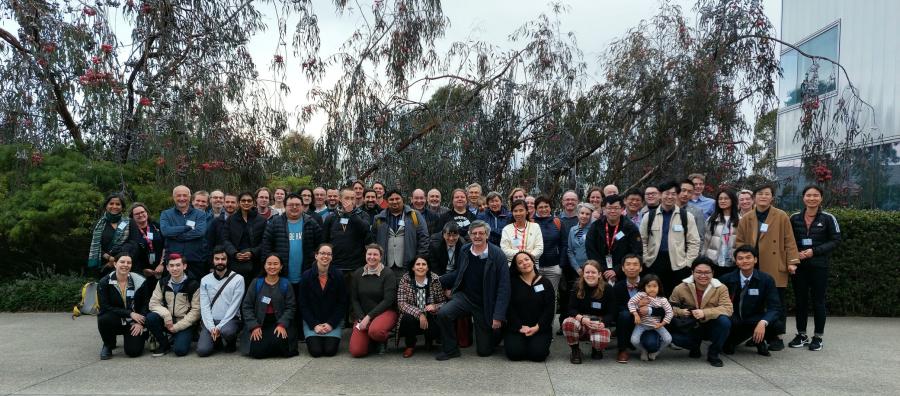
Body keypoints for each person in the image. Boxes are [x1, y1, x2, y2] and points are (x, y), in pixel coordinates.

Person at [734, 184, 800, 351]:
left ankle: (775, 336)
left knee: (776, 302)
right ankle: (755, 334)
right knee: (753, 302)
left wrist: (792, 261)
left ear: (772, 198)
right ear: (754, 197)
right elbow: (740, 242)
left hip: (774, 263)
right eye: (760, 194)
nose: (763, 197)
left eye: (767, 194)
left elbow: (789, 239)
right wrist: (741, 259)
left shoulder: (781, 215)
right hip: (752, 265)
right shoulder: (747, 218)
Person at [435, 220, 510, 360]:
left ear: (487, 235)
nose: (477, 236)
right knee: (444, 313)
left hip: (485, 303)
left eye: (481, 233)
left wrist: (498, 316)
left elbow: (504, 287)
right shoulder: (465, 250)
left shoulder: (497, 255)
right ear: (469, 235)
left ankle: (497, 334)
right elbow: (459, 273)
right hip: (465, 297)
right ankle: (451, 350)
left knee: (484, 351)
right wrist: (437, 279)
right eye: (474, 233)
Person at [788, 185, 841, 351]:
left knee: (818, 302)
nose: (812, 198)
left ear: (821, 198)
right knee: (800, 301)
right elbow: (788, 240)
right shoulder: (794, 218)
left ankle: (818, 337)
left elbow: (836, 241)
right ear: (803, 198)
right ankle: (801, 334)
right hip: (799, 267)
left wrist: (814, 251)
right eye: (808, 195)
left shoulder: (828, 218)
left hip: (819, 267)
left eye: (815, 195)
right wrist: (794, 255)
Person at [668, 257, 733, 367]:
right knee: (669, 334)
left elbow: (728, 309)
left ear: (713, 273)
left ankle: (713, 353)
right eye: (699, 272)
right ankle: (694, 347)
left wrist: (705, 313)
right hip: (690, 326)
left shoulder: (721, 288)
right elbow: (668, 308)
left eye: (707, 272)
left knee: (725, 321)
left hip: (711, 325)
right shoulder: (680, 288)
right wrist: (680, 312)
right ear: (692, 272)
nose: (703, 276)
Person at [639, 181, 701, 296]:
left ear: (677, 195)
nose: (670, 197)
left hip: (678, 264)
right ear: (660, 195)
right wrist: (646, 259)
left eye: (673, 194)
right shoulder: (649, 216)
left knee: (675, 297)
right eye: (667, 193)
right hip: (653, 263)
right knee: (654, 296)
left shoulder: (686, 216)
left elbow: (694, 242)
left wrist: (688, 263)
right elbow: (642, 240)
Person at [720, 245, 781, 357]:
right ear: (736, 262)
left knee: (776, 323)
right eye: (740, 258)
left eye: (748, 257)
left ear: (755, 260)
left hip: (755, 318)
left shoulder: (766, 279)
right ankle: (731, 340)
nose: (745, 261)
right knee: (726, 334)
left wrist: (763, 322)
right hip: (733, 318)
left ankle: (759, 340)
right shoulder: (726, 279)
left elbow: (775, 307)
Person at [261, 193, 323, 301]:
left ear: (302, 206)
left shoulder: (311, 223)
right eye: (291, 205)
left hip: (306, 274)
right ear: (285, 206)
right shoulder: (274, 223)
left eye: (297, 205)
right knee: (284, 304)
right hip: (281, 275)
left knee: (303, 304)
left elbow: (320, 246)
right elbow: (266, 248)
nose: (294, 207)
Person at [241, 255, 298, 358]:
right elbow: (246, 306)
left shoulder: (286, 284)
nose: (272, 267)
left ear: (281, 267)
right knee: (257, 352)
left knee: (279, 343)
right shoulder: (256, 283)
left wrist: (282, 324)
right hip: (260, 323)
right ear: (264, 266)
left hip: (278, 322)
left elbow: (291, 307)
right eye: (269, 264)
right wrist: (254, 326)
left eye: (276, 264)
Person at [612, 254, 665, 363]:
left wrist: (649, 310)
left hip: (647, 323)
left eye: (635, 264)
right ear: (622, 268)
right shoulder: (618, 286)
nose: (631, 267)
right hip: (627, 321)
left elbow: (664, 308)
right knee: (624, 315)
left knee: (652, 345)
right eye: (628, 264)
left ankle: (640, 343)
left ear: (641, 268)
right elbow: (615, 309)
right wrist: (636, 309)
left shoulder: (651, 285)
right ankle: (623, 349)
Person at [349, 244, 398, 357]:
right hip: (364, 315)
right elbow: (354, 299)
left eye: (375, 254)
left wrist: (369, 317)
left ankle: (382, 338)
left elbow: (388, 300)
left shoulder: (388, 273)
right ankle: (371, 340)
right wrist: (362, 317)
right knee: (357, 351)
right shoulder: (357, 274)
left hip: (385, 312)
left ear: (380, 257)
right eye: (369, 254)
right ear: (365, 255)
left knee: (375, 331)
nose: (372, 257)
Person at [146, 254, 201, 357]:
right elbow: (153, 303)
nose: (174, 268)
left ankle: (183, 336)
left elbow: (196, 311)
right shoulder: (162, 283)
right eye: (171, 265)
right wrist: (166, 315)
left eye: (178, 265)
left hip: (184, 322)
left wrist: (177, 327)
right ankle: (164, 344)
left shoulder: (193, 284)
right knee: (150, 318)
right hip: (167, 321)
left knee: (180, 351)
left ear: (184, 266)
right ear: (167, 268)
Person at [97, 253, 149, 359]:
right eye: (122, 262)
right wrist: (129, 313)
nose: (125, 265)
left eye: (128, 262)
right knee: (103, 318)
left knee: (133, 352)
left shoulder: (140, 280)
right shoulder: (104, 282)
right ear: (115, 264)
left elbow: (146, 303)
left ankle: (142, 335)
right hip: (116, 318)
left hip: (134, 321)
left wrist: (141, 323)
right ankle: (108, 344)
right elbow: (105, 306)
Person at [298, 244, 347, 357]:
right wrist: (314, 324)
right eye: (322, 253)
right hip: (312, 321)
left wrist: (331, 324)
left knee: (330, 351)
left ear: (332, 257)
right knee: (316, 351)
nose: (325, 256)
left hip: (332, 321)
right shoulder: (306, 276)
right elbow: (303, 304)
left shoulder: (338, 275)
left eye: (328, 254)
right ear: (316, 256)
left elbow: (342, 303)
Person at [504, 251, 554, 362]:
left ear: (532, 261)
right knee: (515, 355)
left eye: (527, 260)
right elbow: (509, 307)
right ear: (516, 267)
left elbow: (549, 309)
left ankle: (536, 344)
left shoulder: (545, 283)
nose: (525, 263)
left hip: (539, 328)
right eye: (520, 262)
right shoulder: (512, 283)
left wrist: (538, 327)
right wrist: (519, 326)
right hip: (517, 327)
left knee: (538, 355)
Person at [562, 260, 615, 364]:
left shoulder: (607, 289)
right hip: (581, 320)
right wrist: (582, 319)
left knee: (601, 339)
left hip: (598, 322)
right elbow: (571, 309)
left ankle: (597, 349)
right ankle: (575, 350)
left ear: (599, 274)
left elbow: (612, 312)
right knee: (568, 323)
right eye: (587, 272)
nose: (590, 275)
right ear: (583, 274)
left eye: (593, 272)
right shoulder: (577, 286)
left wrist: (603, 323)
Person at [395, 255, 447, 358]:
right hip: (412, 315)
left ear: (427, 267)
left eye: (424, 264)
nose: (421, 267)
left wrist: (435, 306)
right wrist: (419, 314)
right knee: (407, 318)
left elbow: (444, 302)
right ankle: (410, 345)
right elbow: (401, 304)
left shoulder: (435, 280)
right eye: (418, 264)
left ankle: (429, 340)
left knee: (436, 325)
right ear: (413, 267)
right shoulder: (405, 280)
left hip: (431, 316)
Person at [197, 246, 245, 357]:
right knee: (202, 351)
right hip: (211, 321)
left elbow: (234, 306)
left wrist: (219, 327)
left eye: (223, 259)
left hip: (230, 320)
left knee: (227, 331)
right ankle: (216, 341)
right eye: (217, 259)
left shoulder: (238, 279)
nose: (220, 262)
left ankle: (230, 342)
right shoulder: (205, 280)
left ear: (228, 260)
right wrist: (211, 327)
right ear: (212, 260)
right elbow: (204, 306)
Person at [323, 187, 373, 291]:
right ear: (340, 199)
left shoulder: (363, 215)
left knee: (354, 296)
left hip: (356, 266)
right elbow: (324, 241)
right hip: (336, 265)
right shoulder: (331, 218)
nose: (350, 201)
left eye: (352, 198)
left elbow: (365, 230)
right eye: (347, 198)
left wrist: (351, 214)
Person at [586, 195, 642, 285]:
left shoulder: (630, 227)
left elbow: (636, 252)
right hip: (600, 272)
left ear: (622, 209)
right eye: (609, 208)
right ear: (604, 209)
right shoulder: (596, 226)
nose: (612, 211)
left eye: (616, 208)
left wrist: (617, 270)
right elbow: (590, 249)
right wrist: (603, 269)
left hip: (624, 273)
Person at [373, 189, 430, 275]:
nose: (395, 201)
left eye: (397, 199)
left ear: (402, 199)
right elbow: (374, 240)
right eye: (391, 199)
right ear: (387, 201)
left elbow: (424, 238)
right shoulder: (379, 218)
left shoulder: (414, 215)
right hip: (385, 266)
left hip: (407, 266)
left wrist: (418, 259)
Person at [160, 185, 209, 281]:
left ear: (190, 197)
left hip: (195, 261)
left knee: (196, 291)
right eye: (178, 196)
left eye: (185, 195)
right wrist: (187, 228)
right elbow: (165, 231)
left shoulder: (200, 214)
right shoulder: (166, 214)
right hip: (173, 261)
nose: (182, 198)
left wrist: (175, 235)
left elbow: (200, 232)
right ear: (174, 197)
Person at [627, 275, 673, 361]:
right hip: (642, 324)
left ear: (659, 287)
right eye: (649, 286)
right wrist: (636, 315)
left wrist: (662, 324)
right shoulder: (641, 295)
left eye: (655, 286)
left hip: (656, 325)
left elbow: (670, 312)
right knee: (634, 340)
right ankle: (643, 350)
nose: (652, 289)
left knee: (668, 339)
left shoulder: (662, 300)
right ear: (644, 287)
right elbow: (630, 303)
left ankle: (656, 352)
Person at [223, 191, 268, 280]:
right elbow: (225, 239)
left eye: (249, 200)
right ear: (239, 202)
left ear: (253, 202)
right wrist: (234, 253)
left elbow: (265, 241)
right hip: (235, 261)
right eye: (243, 200)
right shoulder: (231, 220)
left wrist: (252, 252)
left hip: (255, 263)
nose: (246, 203)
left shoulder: (262, 220)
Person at [531, 196, 567, 299]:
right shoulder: (531, 223)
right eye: (540, 207)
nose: (543, 209)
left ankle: (550, 315)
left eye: (546, 206)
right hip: (535, 267)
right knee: (535, 295)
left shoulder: (558, 222)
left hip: (554, 267)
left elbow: (564, 244)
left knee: (551, 295)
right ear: (536, 209)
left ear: (550, 208)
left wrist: (561, 265)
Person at [88, 194, 131, 277]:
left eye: (118, 204)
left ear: (122, 207)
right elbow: (94, 245)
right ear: (106, 206)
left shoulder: (129, 223)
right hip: (103, 266)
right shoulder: (98, 224)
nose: (114, 206)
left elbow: (132, 243)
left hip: (124, 265)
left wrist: (116, 258)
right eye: (111, 203)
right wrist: (109, 258)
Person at [703, 189, 740, 278]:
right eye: (720, 199)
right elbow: (706, 242)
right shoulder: (712, 220)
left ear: (733, 200)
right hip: (713, 262)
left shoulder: (741, 221)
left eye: (726, 198)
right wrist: (704, 258)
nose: (722, 201)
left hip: (733, 263)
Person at [126, 203, 165, 280]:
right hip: (140, 272)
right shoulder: (129, 231)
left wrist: (162, 264)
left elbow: (166, 245)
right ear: (132, 217)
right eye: (137, 214)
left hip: (161, 269)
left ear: (146, 212)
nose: (140, 215)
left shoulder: (156, 226)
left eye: (142, 212)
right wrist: (142, 270)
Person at [678, 179, 707, 249]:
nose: (686, 194)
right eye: (683, 190)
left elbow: (700, 237)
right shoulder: (668, 208)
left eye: (689, 192)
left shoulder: (697, 212)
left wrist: (695, 256)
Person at [567, 203, 595, 274]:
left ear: (591, 216)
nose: (584, 216)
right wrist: (577, 268)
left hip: (591, 269)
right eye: (582, 213)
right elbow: (570, 251)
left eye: (587, 214)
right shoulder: (572, 230)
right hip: (576, 269)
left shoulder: (593, 230)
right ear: (578, 214)